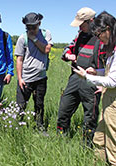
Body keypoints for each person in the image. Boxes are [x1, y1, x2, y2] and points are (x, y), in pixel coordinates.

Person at [56, 7, 106, 147]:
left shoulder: (101, 38)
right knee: (63, 110)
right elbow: (68, 47)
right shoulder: (79, 35)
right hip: (75, 77)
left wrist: (101, 81)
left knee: (90, 116)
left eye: (81, 24)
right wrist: (67, 55)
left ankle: (86, 146)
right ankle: (61, 140)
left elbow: (110, 63)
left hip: (92, 81)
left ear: (91, 21)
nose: (79, 26)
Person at [74, 11, 116, 166]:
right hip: (108, 99)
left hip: (113, 102)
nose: (98, 39)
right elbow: (110, 73)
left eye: (99, 35)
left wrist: (87, 77)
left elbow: (112, 81)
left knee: (112, 143)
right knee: (99, 137)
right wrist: (96, 72)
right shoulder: (111, 47)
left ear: (108, 29)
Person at [14, 12, 53, 135]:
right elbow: (19, 59)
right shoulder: (22, 38)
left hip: (41, 78)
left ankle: (40, 127)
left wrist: (34, 39)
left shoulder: (46, 34)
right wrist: (20, 78)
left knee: (39, 105)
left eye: (33, 27)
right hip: (26, 78)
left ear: (39, 24)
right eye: (28, 27)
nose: (31, 30)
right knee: (20, 105)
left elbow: (46, 49)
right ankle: (17, 128)